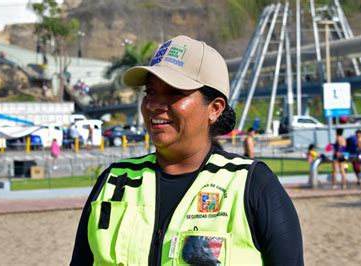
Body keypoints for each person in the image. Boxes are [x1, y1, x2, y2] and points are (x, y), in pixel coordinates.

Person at [71, 35, 303, 265]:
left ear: (215, 109)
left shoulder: (252, 185)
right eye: (150, 92)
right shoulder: (114, 182)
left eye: (175, 93)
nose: (154, 105)